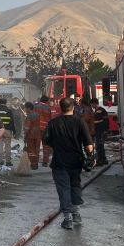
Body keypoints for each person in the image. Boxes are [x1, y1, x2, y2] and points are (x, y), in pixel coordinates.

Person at [43, 98, 94, 230]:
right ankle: (76, 213)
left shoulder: (53, 123)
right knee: (75, 185)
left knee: (63, 188)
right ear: (73, 107)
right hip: (76, 161)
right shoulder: (80, 121)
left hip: (59, 161)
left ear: (60, 108)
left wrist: (55, 144)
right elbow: (89, 144)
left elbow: (46, 140)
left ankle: (68, 218)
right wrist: (90, 157)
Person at [0, 98, 16, 167]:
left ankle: (1, 161)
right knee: (8, 146)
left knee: (0, 145)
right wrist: (14, 131)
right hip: (7, 130)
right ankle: (8, 162)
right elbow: (12, 122)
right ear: (6, 103)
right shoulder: (9, 111)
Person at [22, 102, 40, 170]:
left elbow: (27, 128)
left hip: (30, 136)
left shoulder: (29, 116)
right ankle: (36, 163)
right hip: (38, 135)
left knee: (31, 151)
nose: (25, 109)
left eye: (25, 108)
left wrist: (25, 137)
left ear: (29, 108)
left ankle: (33, 164)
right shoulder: (38, 115)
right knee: (36, 150)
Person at [91, 98, 109, 166]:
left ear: (95, 103)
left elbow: (104, 121)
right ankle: (103, 159)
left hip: (100, 131)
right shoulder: (97, 110)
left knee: (99, 146)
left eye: (92, 104)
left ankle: (100, 160)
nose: (91, 106)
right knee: (100, 146)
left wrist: (93, 122)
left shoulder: (100, 110)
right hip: (99, 131)